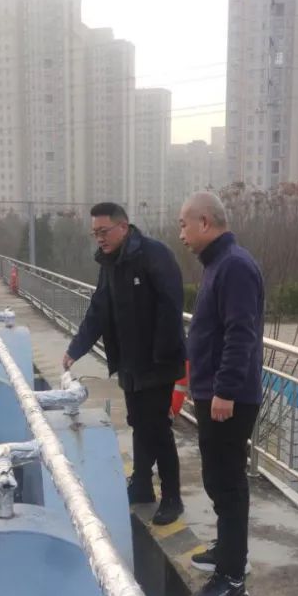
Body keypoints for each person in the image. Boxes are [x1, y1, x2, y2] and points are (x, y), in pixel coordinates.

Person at [63, 202, 187, 525]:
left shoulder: (154, 255)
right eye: (95, 233)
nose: (99, 238)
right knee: (138, 423)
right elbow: (98, 310)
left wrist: (161, 355)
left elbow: (172, 307)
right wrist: (75, 349)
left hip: (157, 363)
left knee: (157, 429)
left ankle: (172, 497)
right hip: (129, 362)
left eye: (103, 231)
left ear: (123, 226)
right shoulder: (109, 264)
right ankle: (142, 485)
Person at [177, 191, 265, 596]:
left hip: (229, 397)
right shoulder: (218, 265)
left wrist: (226, 390)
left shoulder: (234, 266)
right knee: (217, 478)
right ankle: (229, 551)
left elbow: (240, 333)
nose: (181, 235)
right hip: (215, 392)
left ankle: (232, 580)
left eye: (184, 225)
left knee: (228, 483)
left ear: (205, 222)